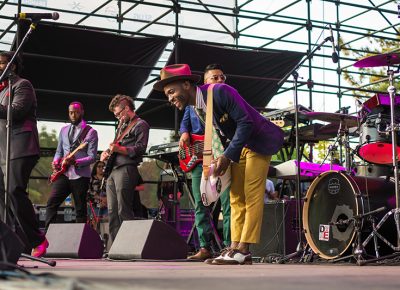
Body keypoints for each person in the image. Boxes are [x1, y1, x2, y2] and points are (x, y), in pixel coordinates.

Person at [154, 64, 284, 265]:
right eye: (167, 95)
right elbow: (220, 133)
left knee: (251, 193)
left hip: (258, 141)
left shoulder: (221, 91)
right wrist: (220, 156)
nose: (169, 98)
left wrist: (228, 155)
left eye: (171, 91)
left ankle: (245, 249)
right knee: (235, 197)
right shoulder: (196, 107)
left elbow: (246, 122)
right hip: (237, 146)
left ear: (186, 84)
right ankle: (234, 247)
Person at [180, 64, 231, 261]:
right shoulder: (193, 103)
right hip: (199, 158)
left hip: (222, 157)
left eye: (221, 77)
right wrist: (184, 132)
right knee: (201, 204)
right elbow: (185, 120)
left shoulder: (227, 100)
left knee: (228, 204)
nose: (219, 80)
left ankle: (229, 247)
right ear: (204, 83)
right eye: (214, 78)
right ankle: (205, 247)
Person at [0, 51, 47, 257]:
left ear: (13, 65)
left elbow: (17, 111)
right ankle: (12, 245)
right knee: (3, 198)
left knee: (13, 191)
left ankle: (38, 239)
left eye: (1, 63)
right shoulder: (1, 91)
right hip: (2, 150)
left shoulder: (22, 85)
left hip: (20, 147)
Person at [100, 94, 149, 242]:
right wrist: (106, 153)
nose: (118, 118)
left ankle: (129, 245)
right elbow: (117, 146)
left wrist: (118, 149)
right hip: (113, 171)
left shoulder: (141, 124)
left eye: (118, 114)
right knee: (112, 211)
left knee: (124, 209)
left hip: (126, 168)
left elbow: (141, 148)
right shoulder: (121, 127)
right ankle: (115, 247)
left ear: (127, 108)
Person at [45, 102, 98, 230]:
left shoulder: (90, 132)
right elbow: (59, 151)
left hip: (80, 176)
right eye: (70, 112)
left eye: (76, 112)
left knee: (80, 209)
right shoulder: (63, 130)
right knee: (51, 203)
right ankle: (48, 236)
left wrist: (76, 162)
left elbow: (92, 157)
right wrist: (56, 161)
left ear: (82, 112)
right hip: (63, 174)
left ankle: (80, 242)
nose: (73, 115)